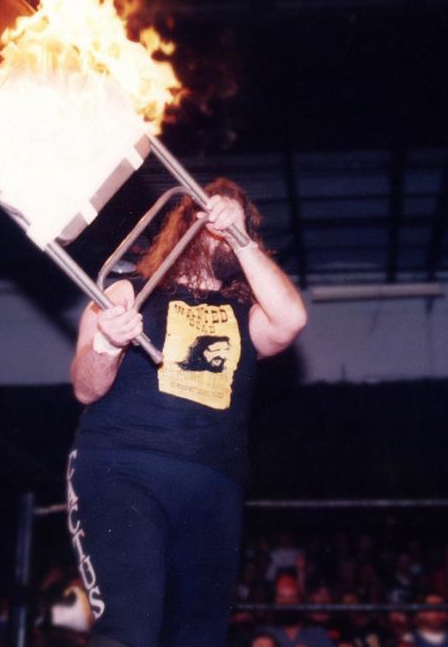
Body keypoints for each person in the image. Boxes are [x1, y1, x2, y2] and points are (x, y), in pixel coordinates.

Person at [66, 178, 307, 647]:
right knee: (130, 627)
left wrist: (242, 237)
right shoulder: (126, 291)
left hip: (213, 482)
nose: (227, 227)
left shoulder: (247, 313)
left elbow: (291, 320)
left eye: (239, 222)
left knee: (197, 636)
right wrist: (107, 343)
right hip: (124, 467)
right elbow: (85, 387)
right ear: (186, 223)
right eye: (216, 217)